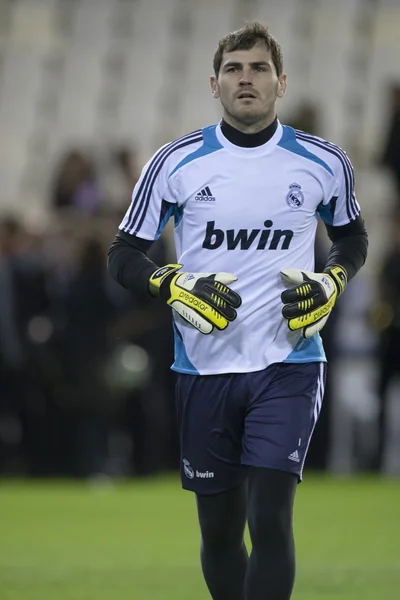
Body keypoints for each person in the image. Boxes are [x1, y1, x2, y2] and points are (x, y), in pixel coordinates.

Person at [108, 22, 368, 600]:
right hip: (204, 369)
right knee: (220, 532)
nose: (245, 78)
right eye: (233, 69)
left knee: (270, 519)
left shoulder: (324, 162)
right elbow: (123, 255)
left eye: (257, 68)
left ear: (281, 83)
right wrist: (170, 284)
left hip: (290, 364)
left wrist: (334, 281)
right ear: (213, 84)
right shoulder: (174, 163)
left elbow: (353, 239)